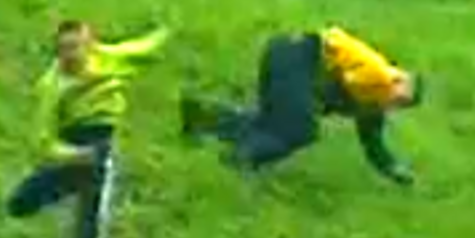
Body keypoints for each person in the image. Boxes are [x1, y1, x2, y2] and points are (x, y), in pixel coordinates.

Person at [5, 20, 170, 238]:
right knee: (25, 200)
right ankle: (40, 194)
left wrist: (168, 32)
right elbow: (43, 141)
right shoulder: (52, 87)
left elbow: (141, 48)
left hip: (100, 147)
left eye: (76, 47)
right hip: (72, 143)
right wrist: (73, 155)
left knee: (90, 221)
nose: (70, 55)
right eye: (63, 50)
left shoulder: (109, 59)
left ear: (91, 46)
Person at [179, 26, 425, 185]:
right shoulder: (378, 75)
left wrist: (396, 172)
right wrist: (315, 107)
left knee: (271, 124)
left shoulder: (376, 98)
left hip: (285, 50)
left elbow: (373, 142)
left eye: (399, 104)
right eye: (398, 95)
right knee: (301, 130)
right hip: (299, 58)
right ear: (398, 77)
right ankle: (240, 159)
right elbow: (335, 83)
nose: (393, 103)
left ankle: (200, 115)